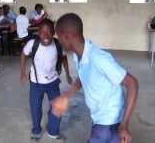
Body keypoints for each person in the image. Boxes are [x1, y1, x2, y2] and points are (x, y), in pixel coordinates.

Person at [52, 13, 139, 143]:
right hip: (98, 118)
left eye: (59, 37)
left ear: (68, 36)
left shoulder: (98, 58)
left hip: (109, 122)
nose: (59, 42)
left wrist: (124, 125)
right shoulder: (79, 56)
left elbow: (132, 83)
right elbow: (83, 77)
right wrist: (66, 95)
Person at [20, 19, 72, 141]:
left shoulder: (58, 44)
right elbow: (23, 55)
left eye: (49, 31)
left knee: (57, 107)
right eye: (43, 32)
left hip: (53, 81)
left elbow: (63, 58)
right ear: (38, 33)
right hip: (36, 82)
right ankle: (36, 130)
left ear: (54, 32)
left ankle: (53, 131)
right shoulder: (32, 44)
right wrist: (22, 73)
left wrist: (68, 74)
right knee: (35, 107)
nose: (46, 35)